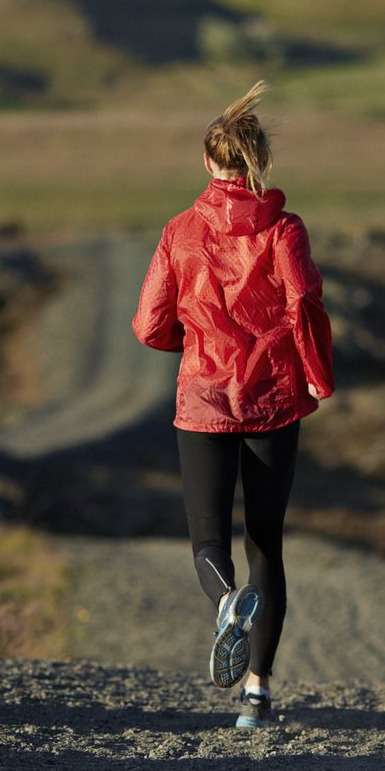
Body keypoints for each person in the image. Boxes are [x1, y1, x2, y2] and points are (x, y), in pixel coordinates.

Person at [133, 81, 335, 728]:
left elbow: (147, 325)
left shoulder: (179, 232)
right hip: (273, 399)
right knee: (266, 546)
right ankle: (257, 692)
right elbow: (303, 303)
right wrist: (316, 377)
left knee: (207, 541)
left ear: (206, 162)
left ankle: (224, 605)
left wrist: (186, 344)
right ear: (260, 161)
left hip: (202, 400)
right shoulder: (283, 229)